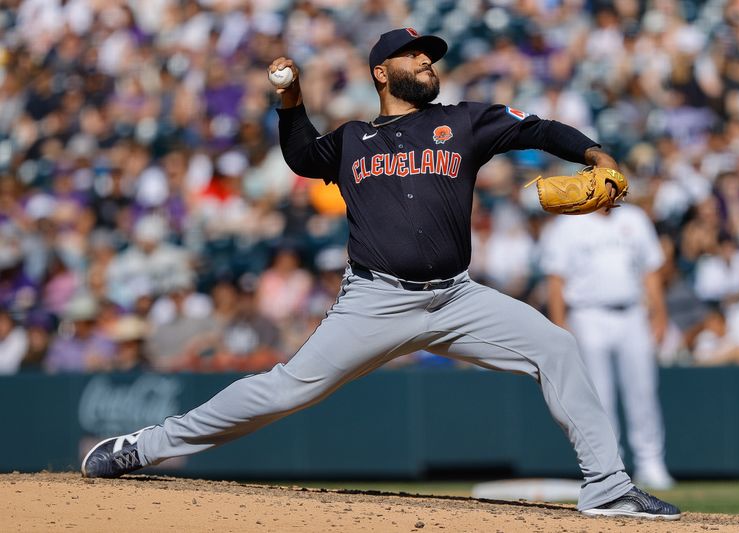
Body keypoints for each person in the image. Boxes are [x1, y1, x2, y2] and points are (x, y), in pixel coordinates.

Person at [81, 28, 680, 520]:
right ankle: (143, 448)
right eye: (414, 54)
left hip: (457, 299)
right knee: (286, 389)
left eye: (431, 56)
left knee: (556, 346)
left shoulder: (463, 120)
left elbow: (538, 128)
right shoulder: (351, 140)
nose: (427, 59)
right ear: (379, 71)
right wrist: (289, 102)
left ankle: (607, 485)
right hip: (375, 301)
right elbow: (299, 154)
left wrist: (596, 155)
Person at [541, 204, 675, 490]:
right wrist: (559, 324)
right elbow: (556, 280)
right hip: (587, 313)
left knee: (643, 391)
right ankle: (612, 467)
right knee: (599, 396)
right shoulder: (569, 224)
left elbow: (651, 272)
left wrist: (660, 314)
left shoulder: (634, 218)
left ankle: (651, 462)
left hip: (632, 311)